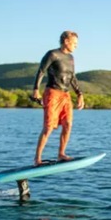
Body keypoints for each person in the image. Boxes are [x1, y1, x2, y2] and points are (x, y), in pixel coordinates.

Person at [32, 31, 84, 166]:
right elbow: (41, 71)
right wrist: (36, 90)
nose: (76, 46)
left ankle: (61, 154)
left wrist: (79, 94)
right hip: (53, 93)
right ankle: (37, 159)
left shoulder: (71, 58)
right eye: (74, 43)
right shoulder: (52, 54)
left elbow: (72, 77)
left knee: (68, 124)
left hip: (66, 95)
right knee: (49, 127)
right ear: (66, 41)